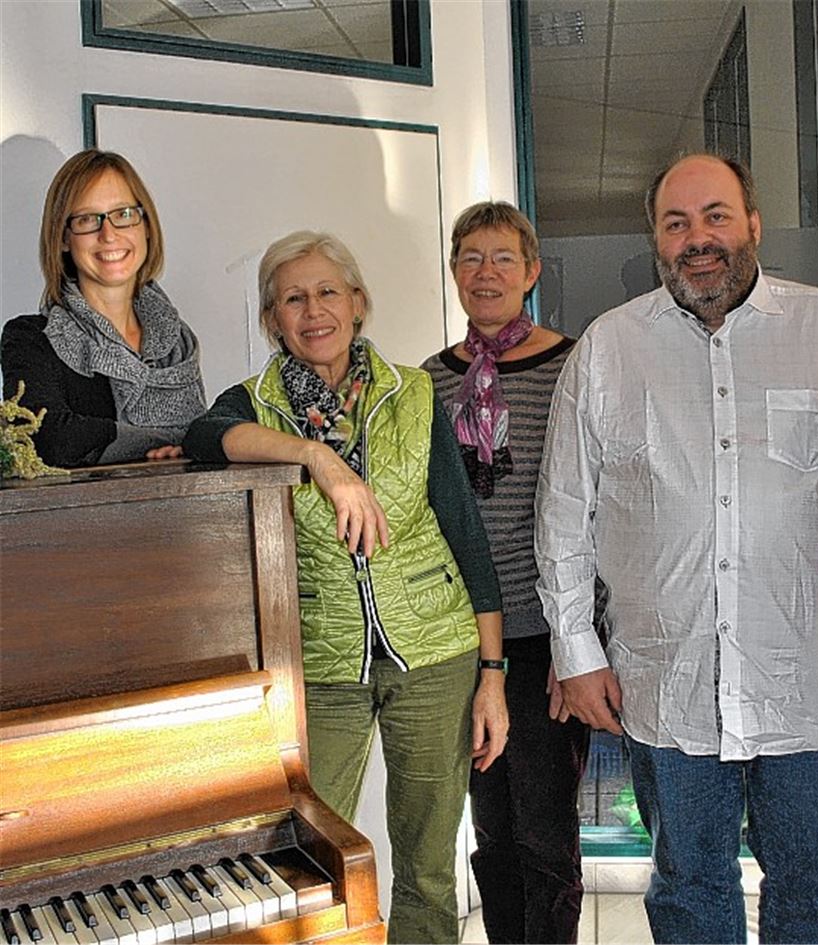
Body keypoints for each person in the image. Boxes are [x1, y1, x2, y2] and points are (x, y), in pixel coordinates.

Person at [535, 153, 818, 944]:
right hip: (669, 686)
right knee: (690, 896)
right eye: (677, 222)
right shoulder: (608, 349)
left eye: (716, 216)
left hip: (816, 685)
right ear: (657, 240)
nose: (698, 238)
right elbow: (564, 512)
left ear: (754, 225)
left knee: (815, 900)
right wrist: (575, 648)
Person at [183, 230, 508, 944]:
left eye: (328, 291)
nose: (313, 310)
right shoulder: (252, 403)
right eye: (292, 298)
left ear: (358, 303)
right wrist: (316, 457)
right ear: (272, 319)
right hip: (322, 665)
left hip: (436, 653)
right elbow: (206, 438)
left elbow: (465, 532)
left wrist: (492, 674)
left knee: (427, 866)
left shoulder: (414, 392)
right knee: (312, 856)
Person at [422, 201, 590, 944]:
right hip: (459, 639)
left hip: (547, 637)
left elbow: (602, 507)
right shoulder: (428, 380)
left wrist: (579, 643)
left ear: (530, 270)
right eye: (470, 258)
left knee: (545, 831)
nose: (484, 273)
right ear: (454, 271)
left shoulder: (575, 365)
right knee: (490, 827)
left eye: (501, 258)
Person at [1, 149, 205, 467]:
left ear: (146, 226)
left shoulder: (176, 342)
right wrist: (162, 443)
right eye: (87, 220)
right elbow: (46, 437)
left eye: (123, 214)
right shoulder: (32, 339)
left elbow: (208, 438)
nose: (109, 235)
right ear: (64, 238)